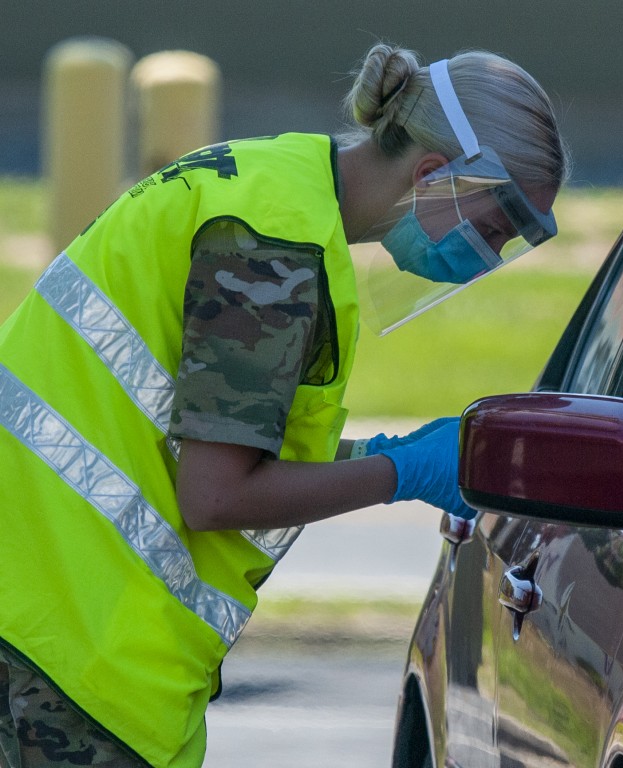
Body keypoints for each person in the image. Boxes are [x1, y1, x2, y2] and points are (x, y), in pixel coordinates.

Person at [0, 42, 567, 768]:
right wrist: (403, 475)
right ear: (434, 176)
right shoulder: (275, 253)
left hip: (42, 611)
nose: (484, 257)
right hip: (65, 650)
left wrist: (374, 456)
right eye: (490, 230)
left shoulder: (275, 185)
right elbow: (214, 494)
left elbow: (216, 437)